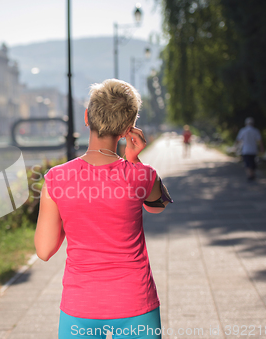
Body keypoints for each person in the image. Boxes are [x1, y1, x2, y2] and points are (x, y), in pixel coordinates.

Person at [35, 79, 173, 339]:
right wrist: (134, 160)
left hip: (80, 307)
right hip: (136, 303)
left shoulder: (56, 178)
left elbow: (43, 251)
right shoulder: (141, 175)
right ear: (127, 128)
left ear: (87, 117)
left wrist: (72, 212)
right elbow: (158, 205)